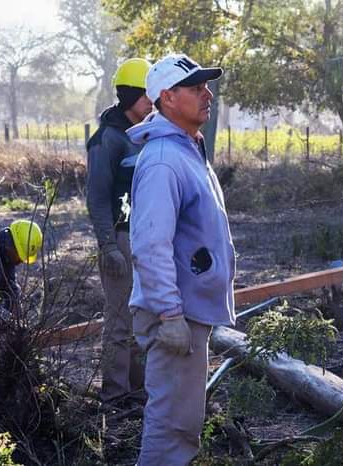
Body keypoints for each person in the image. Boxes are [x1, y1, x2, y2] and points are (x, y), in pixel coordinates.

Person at [126, 53, 235, 465]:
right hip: (174, 316)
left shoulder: (187, 149)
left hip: (187, 313)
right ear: (167, 98)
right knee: (171, 426)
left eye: (206, 86)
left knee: (182, 424)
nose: (207, 94)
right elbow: (150, 245)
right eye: (195, 88)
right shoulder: (162, 161)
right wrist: (170, 316)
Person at [86, 58, 153, 407]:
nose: (151, 102)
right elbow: (96, 197)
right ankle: (114, 395)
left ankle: (139, 391)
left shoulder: (143, 133)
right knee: (118, 323)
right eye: (145, 96)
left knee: (142, 320)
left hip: (147, 239)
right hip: (120, 239)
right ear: (128, 96)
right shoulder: (107, 139)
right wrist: (108, 245)